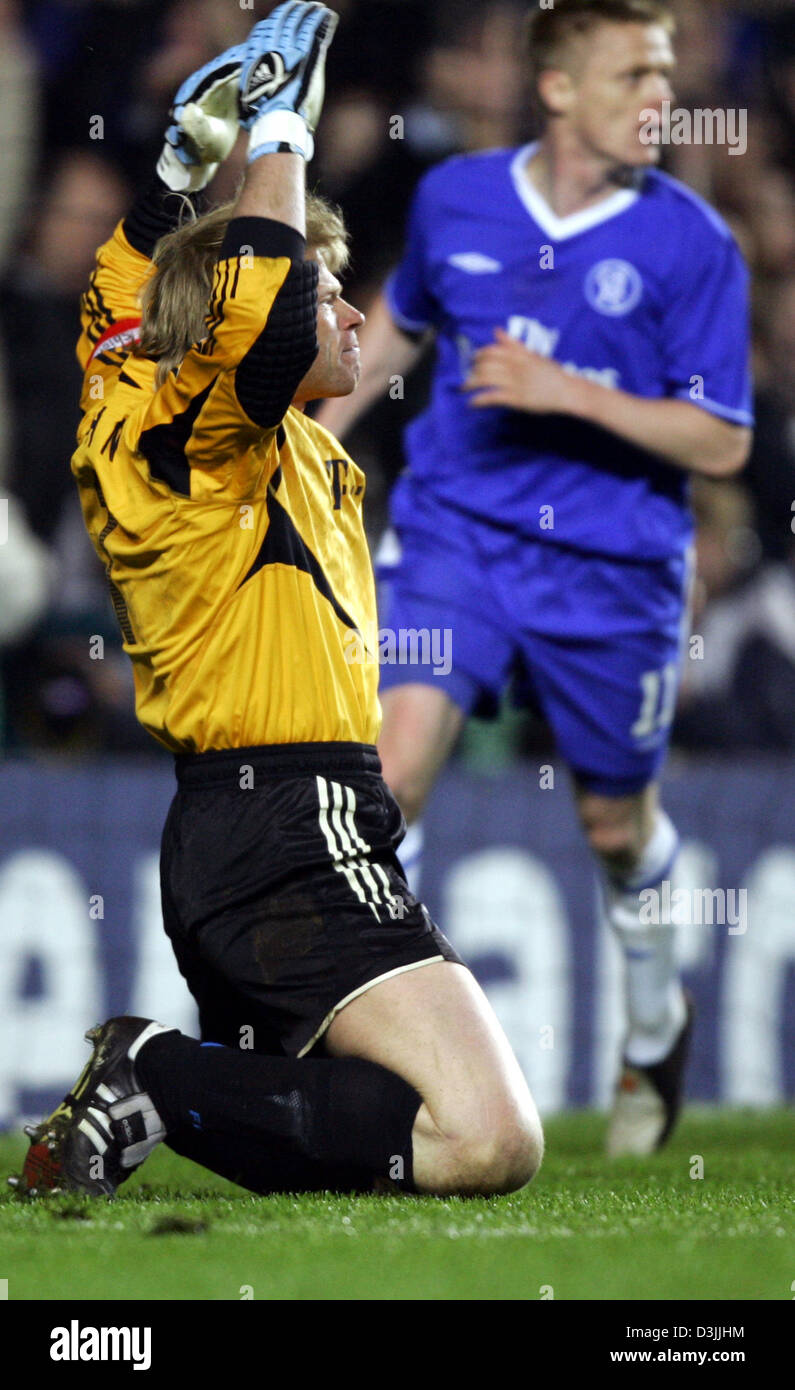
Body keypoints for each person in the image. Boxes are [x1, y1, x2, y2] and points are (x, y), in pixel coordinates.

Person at [11, 5, 543, 1201]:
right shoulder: (219, 433)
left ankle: (167, 1084)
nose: (349, 315)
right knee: (488, 1139)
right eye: (329, 294)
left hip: (234, 832)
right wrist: (281, 127)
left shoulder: (147, 398)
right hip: (293, 824)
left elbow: (126, 293)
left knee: (400, 1122)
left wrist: (179, 163)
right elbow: (256, 310)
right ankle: (157, 1070)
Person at [317, 0, 754, 1155]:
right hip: (459, 535)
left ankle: (655, 1018)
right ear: (559, 90)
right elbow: (399, 327)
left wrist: (572, 396)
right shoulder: (459, 196)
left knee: (615, 825)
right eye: (635, 74)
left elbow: (723, 442)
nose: (662, 95)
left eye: (665, 73)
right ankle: (365, 1048)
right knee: (388, 776)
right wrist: (317, 440)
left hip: (612, 571)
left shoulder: (693, 244)